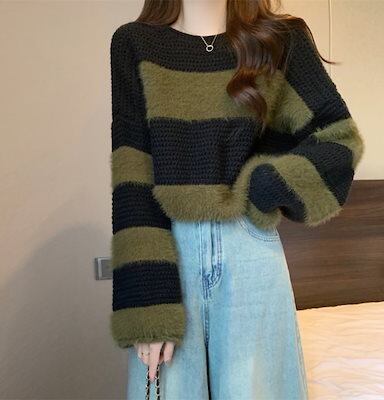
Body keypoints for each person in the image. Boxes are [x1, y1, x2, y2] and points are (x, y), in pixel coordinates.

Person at [108, 0, 365, 398]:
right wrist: (147, 302)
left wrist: (264, 184)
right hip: (169, 254)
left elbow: (339, 140)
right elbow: (133, 171)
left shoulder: (279, 41)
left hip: (249, 250)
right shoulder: (134, 43)